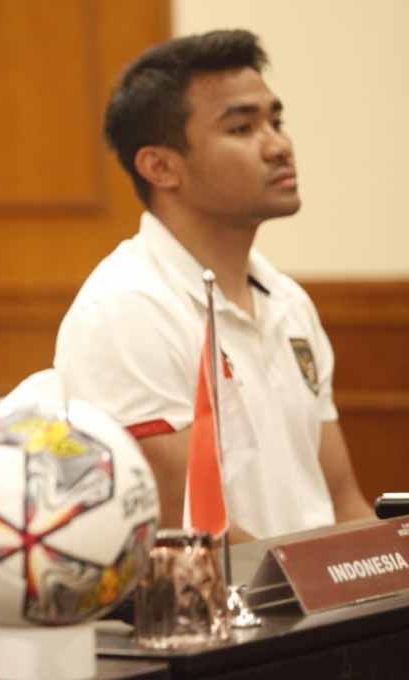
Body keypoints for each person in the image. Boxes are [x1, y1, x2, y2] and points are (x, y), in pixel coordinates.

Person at [54, 29, 373, 542]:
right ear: (160, 166)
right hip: (228, 614)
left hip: (321, 606)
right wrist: (320, 593)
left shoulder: (289, 302)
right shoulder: (126, 308)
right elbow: (194, 530)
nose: (278, 146)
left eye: (277, 121)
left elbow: (342, 499)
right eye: (243, 128)